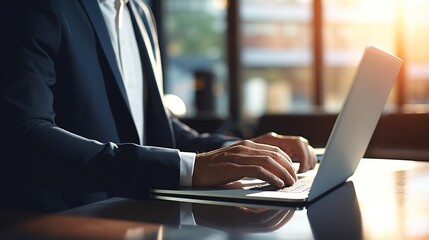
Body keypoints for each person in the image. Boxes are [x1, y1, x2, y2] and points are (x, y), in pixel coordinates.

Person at [0, 0, 316, 212]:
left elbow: (153, 126)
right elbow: (24, 136)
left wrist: (240, 151)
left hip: (140, 218)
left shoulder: (140, 12)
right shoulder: (35, 7)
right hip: (65, 220)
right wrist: (190, 169)